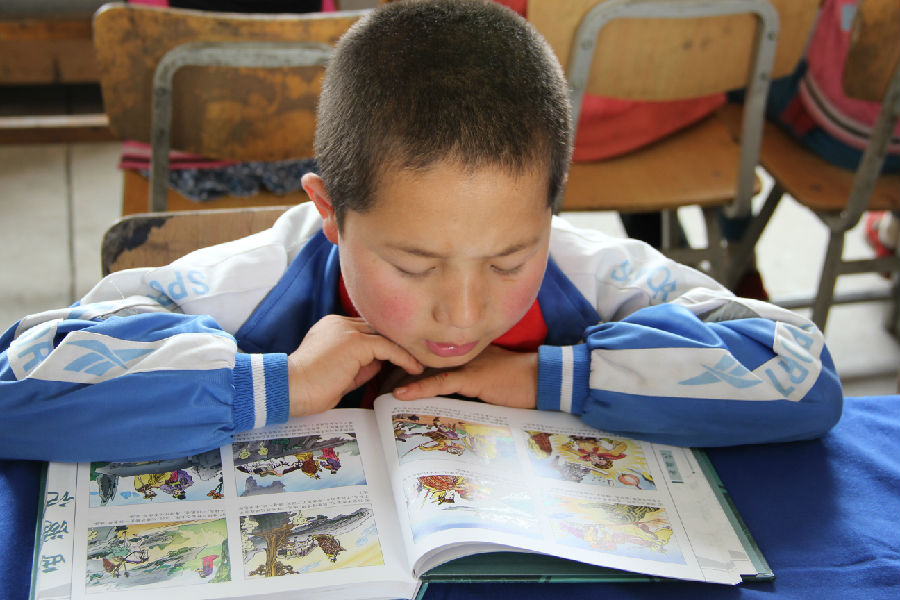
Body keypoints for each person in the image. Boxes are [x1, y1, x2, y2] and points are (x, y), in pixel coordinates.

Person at [0, 0, 842, 463]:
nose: (464, 313)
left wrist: (554, 377)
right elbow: (18, 384)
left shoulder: (593, 273)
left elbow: (801, 378)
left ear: (552, 211)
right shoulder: (251, 283)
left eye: (509, 259)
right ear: (330, 213)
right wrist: (276, 386)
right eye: (412, 264)